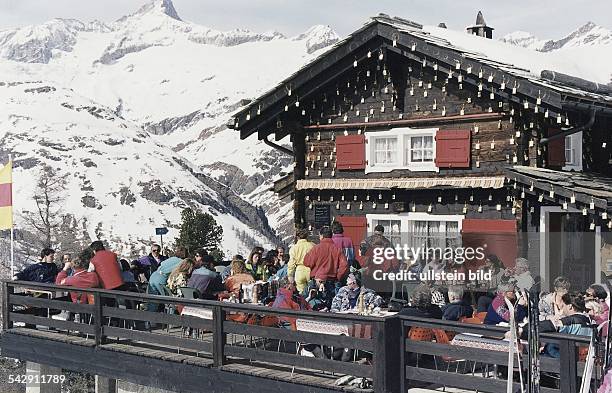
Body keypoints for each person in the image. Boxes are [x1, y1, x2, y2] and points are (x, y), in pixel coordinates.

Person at [517, 292, 592, 358]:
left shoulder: (569, 321)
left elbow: (549, 325)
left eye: (563, 306)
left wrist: (523, 330)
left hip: (564, 361)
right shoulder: (590, 321)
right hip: (581, 359)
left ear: (570, 306)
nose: (561, 308)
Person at [303, 226, 349, 308]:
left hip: (317, 280)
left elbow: (307, 262)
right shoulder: (337, 249)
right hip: (331, 281)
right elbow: (344, 265)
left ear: (321, 236)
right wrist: (338, 277)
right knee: (332, 305)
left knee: (309, 302)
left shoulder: (316, 248)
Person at [287, 227, 315, 294]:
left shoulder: (294, 248)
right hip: (311, 270)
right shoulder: (313, 246)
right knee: (312, 291)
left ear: (297, 237)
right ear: (307, 236)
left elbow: (291, 264)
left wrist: (290, 275)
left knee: (301, 292)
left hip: (299, 270)